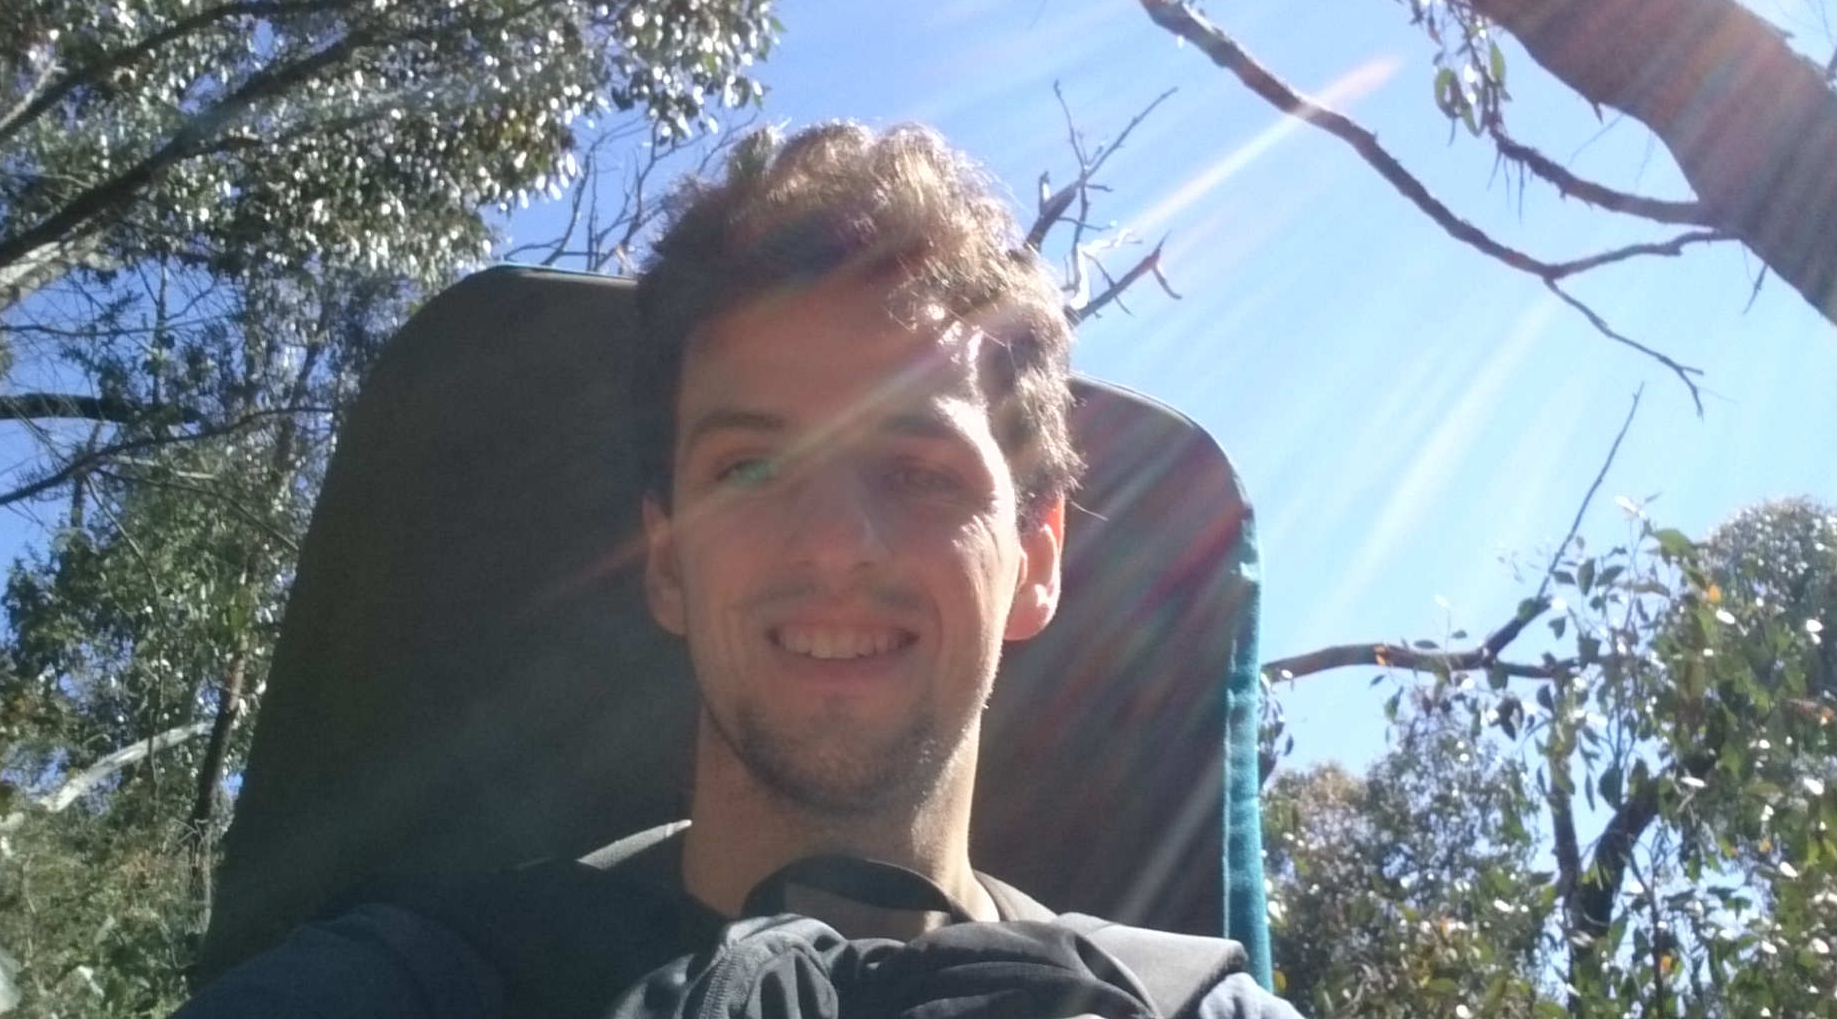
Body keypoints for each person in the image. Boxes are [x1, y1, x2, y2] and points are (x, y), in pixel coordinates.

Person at [176, 122, 1303, 1019]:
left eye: (917, 471)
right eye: (752, 466)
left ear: (1036, 561)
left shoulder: (1182, 1006)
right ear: (668, 562)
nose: (831, 543)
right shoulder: (419, 981)